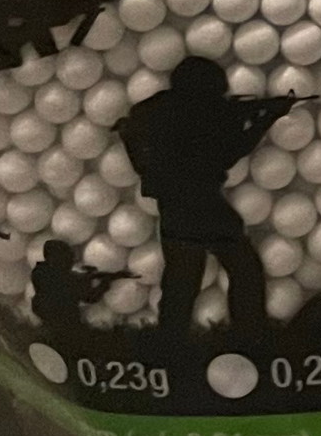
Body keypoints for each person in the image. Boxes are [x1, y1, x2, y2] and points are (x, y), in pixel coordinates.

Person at [121, 56, 282, 339]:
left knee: (181, 278)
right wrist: (267, 118)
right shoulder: (207, 114)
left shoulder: (154, 109)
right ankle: (249, 333)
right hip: (204, 205)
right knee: (244, 268)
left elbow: (134, 133)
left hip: (172, 207)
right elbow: (233, 150)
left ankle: (170, 340)